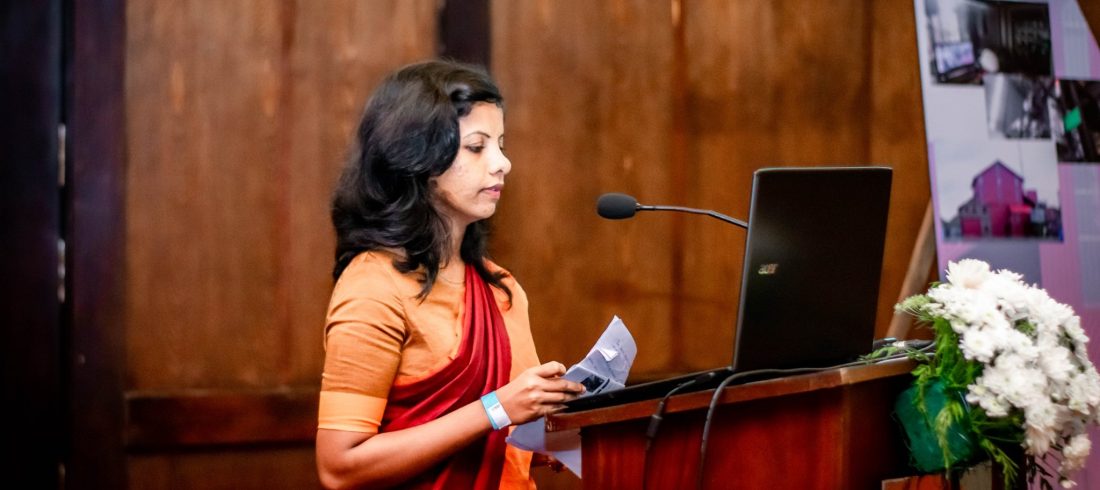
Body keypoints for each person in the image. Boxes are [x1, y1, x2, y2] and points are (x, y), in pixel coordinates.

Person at [315, 60, 585, 489]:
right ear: (418, 159)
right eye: (477, 147)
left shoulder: (500, 286)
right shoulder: (373, 288)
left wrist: (548, 439)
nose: (503, 163)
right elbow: (339, 466)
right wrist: (496, 409)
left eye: (501, 144)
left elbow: (505, 435)